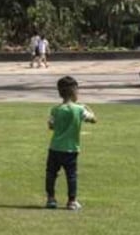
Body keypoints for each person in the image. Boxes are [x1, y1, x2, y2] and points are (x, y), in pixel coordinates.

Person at [45, 75, 97, 210]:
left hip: (55, 147)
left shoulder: (55, 109)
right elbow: (93, 119)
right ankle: (71, 201)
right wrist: (88, 108)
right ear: (74, 91)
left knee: (51, 174)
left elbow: (51, 126)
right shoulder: (79, 109)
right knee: (71, 175)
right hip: (71, 148)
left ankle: (51, 199)